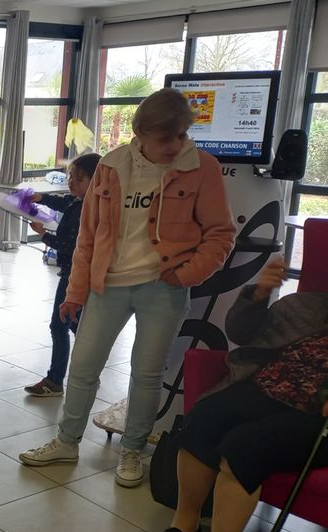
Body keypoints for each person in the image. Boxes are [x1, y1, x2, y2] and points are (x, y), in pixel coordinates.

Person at [18, 88, 237, 489]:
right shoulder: (112, 165)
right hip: (108, 285)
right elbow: (89, 233)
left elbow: (221, 234)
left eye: (181, 135)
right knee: (83, 369)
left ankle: (132, 450)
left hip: (163, 289)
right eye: (164, 138)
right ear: (140, 133)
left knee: (146, 375)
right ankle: (67, 442)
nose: (175, 146)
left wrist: (187, 274)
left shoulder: (201, 167)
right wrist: (75, 290)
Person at [145, 257, 328, 532]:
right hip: (263, 387)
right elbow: (242, 332)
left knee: (246, 444)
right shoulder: (307, 305)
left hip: (314, 414)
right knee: (204, 418)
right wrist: (256, 296)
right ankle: (185, 527)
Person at [24, 153, 102, 397]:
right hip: (74, 273)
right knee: (76, 326)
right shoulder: (80, 202)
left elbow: (70, 246)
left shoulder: (87, 210)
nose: (72, 183)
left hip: (75, 275)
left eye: (79, 179)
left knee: (59, 325)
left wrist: (43, 234)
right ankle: (88, 372)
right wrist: (40, 197)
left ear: (97, 180)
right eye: (71, 177)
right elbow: (64, 201)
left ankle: (55, 380)